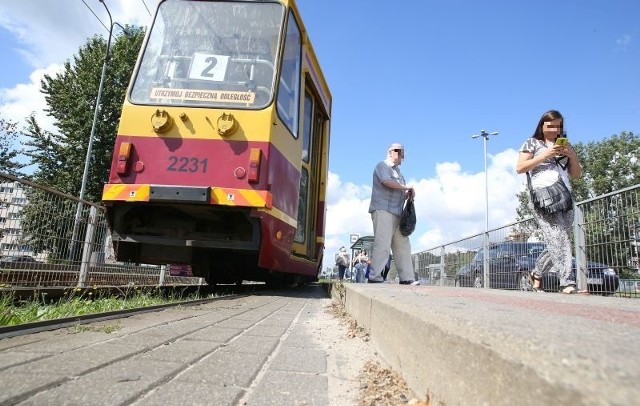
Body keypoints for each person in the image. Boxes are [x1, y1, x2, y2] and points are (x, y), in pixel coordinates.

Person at [516, 110, 585, 294]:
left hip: (565, 196)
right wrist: (546, 154)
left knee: (558, 240)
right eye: (551, 125)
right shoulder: (532, 143)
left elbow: (576, 174)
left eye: (559, 125)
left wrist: (572, 155)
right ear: (542, 125)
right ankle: (567, 282)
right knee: (559, 237)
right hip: (543, 197)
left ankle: (537, 274)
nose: (555, 129)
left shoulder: (565, 145)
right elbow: (520, 167)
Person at [367, 143, 419, 285]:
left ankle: (407, 277)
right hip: (382, 209)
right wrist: (406, 187)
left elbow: (400, 190)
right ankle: (374, 276)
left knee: (403, 245)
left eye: (401, 151)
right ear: (389, 152)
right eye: (396, 150)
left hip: (397, 213)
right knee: (382, 243)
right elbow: (386, 182)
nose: (399, 153)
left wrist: (408, 194)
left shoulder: (400, 174)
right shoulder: (382, 166)